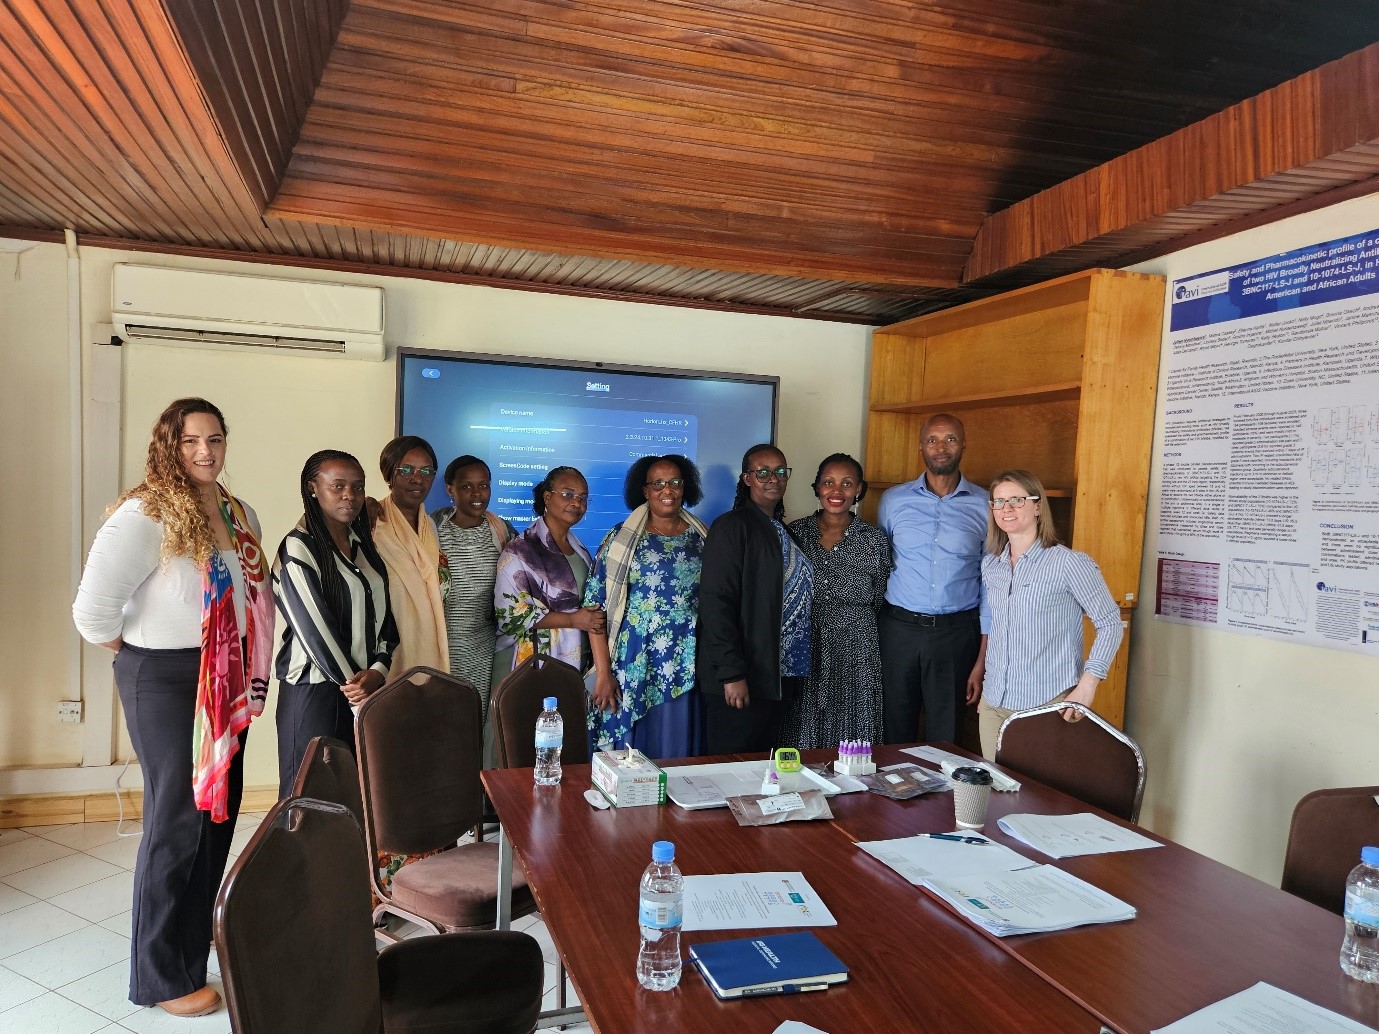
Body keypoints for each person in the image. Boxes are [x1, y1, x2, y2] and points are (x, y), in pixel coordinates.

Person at [72, 398, 273, 1018]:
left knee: (218, 820)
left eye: (215, 438)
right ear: (169, 446)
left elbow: (250, 599)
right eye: (191, 442)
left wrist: (221, 667)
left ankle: (192, 948)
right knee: (177, 822)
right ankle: (159, 977)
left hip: (223, 680)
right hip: (163, 677)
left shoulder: (240, 514)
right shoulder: (144, 514)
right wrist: (152, 659)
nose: (205, 451)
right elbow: (92, 615)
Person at [272, 450, 397, 798]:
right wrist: (355, 687)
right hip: (315, 694)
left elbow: (385, 617)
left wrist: (379, 669)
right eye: (337, 486)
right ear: (313, 488)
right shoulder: (298, 548)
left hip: (364, 688)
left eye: (357, 487)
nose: (349, 495)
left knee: (353, 795)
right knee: (308, 796)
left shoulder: (363, 547)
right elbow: (315, 630)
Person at [977, 469, 1123, 760]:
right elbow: (999, 628)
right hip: (994, 704)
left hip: (1046, 705)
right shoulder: (992, 565)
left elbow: (1110, 624)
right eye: (999, 501)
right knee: (996, 796)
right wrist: (985, 688)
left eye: (1017, 500)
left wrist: (1087, 686)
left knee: (1037, 801)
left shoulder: (1069, 563)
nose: (1006, 509)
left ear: (1037, 506)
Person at [583, 455, 709, 758]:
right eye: (658, 484)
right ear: (645, 490)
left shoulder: (702, 538)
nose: (668, 490)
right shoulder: (620, 538)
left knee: (677, 751)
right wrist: (603, 673)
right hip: (634, 661)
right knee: (630, 759)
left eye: (675, 482)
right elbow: (594, 607)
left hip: (688, 662)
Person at [876, 413, 989, 747]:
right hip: (899, 629)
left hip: (956, 634)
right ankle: (892, 797)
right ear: (921, 446)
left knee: (947, 733)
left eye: (950, 439)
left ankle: (945, 800)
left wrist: (983, 657)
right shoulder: (894, 501)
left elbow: (991, 584)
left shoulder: (986, 505)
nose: (941, 448)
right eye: (932, 440)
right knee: (894, 724)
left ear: (964, 443)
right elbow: (883, 562)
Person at [698, 443, 814, 754]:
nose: (772, 478)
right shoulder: (732, 527)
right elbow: (715, 603)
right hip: (741, 678)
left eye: (780, 472)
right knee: (732, 768)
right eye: (763, 472)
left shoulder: (781, 530)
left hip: (775, 676)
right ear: (747, 478)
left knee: (760, 770)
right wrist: (732, 674)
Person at [781, 454, 892, 749]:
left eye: (846, 484)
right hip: (805, 642)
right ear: (816, 487)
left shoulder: (874, 540)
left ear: (859, 490)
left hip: (857, 646)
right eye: (828, 482)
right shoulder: (795, 533)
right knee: (802, 718)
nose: (836, 491)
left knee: (853, 725)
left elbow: (879, 594)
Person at [494, 466, 605, 675]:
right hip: (530, 665)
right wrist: (572, 620)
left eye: (583, 498)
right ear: (547, 497)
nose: (576, 503)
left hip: (572, 662)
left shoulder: (578, 549)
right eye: (567, 494)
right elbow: (509, 616)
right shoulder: (520, 551)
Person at [431, 455, 514, 711]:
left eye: (484, 485)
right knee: (443, 720)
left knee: (478, 719)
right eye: (467, 486)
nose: (477, 493)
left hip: (485, 648)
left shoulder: (502, 531)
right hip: (442, 647)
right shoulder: (431, 529)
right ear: (450, 489)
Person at [372, 436, 449, 676]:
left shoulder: (430, 527)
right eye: (406, 470)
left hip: (428, 646)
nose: (417, 478)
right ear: (388, 475)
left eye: (426, 471)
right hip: (384, 654)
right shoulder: (373, 523)